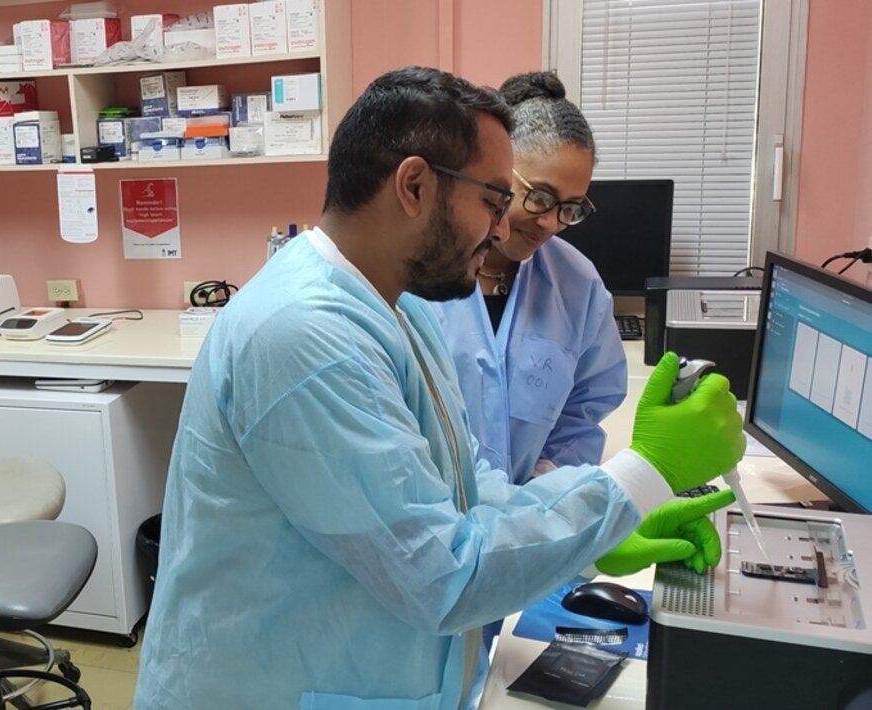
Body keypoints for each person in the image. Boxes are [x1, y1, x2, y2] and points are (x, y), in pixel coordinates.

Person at [133, 66, 744, 710]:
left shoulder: (402, 307)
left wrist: (606, 518)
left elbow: (470, 487)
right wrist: (644, 473)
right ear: (416, 186)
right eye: (494, 200)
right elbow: (439, 576)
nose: (503, 227)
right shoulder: (305, 336)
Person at [427, 71, 625, 485]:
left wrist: (547, 482)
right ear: (498, 172)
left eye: (571, 208)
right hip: (433, 511)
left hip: (531, 512)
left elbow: (585, 406)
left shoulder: (577, 285)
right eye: (540, 197)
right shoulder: (420, 278)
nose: (551, 223)